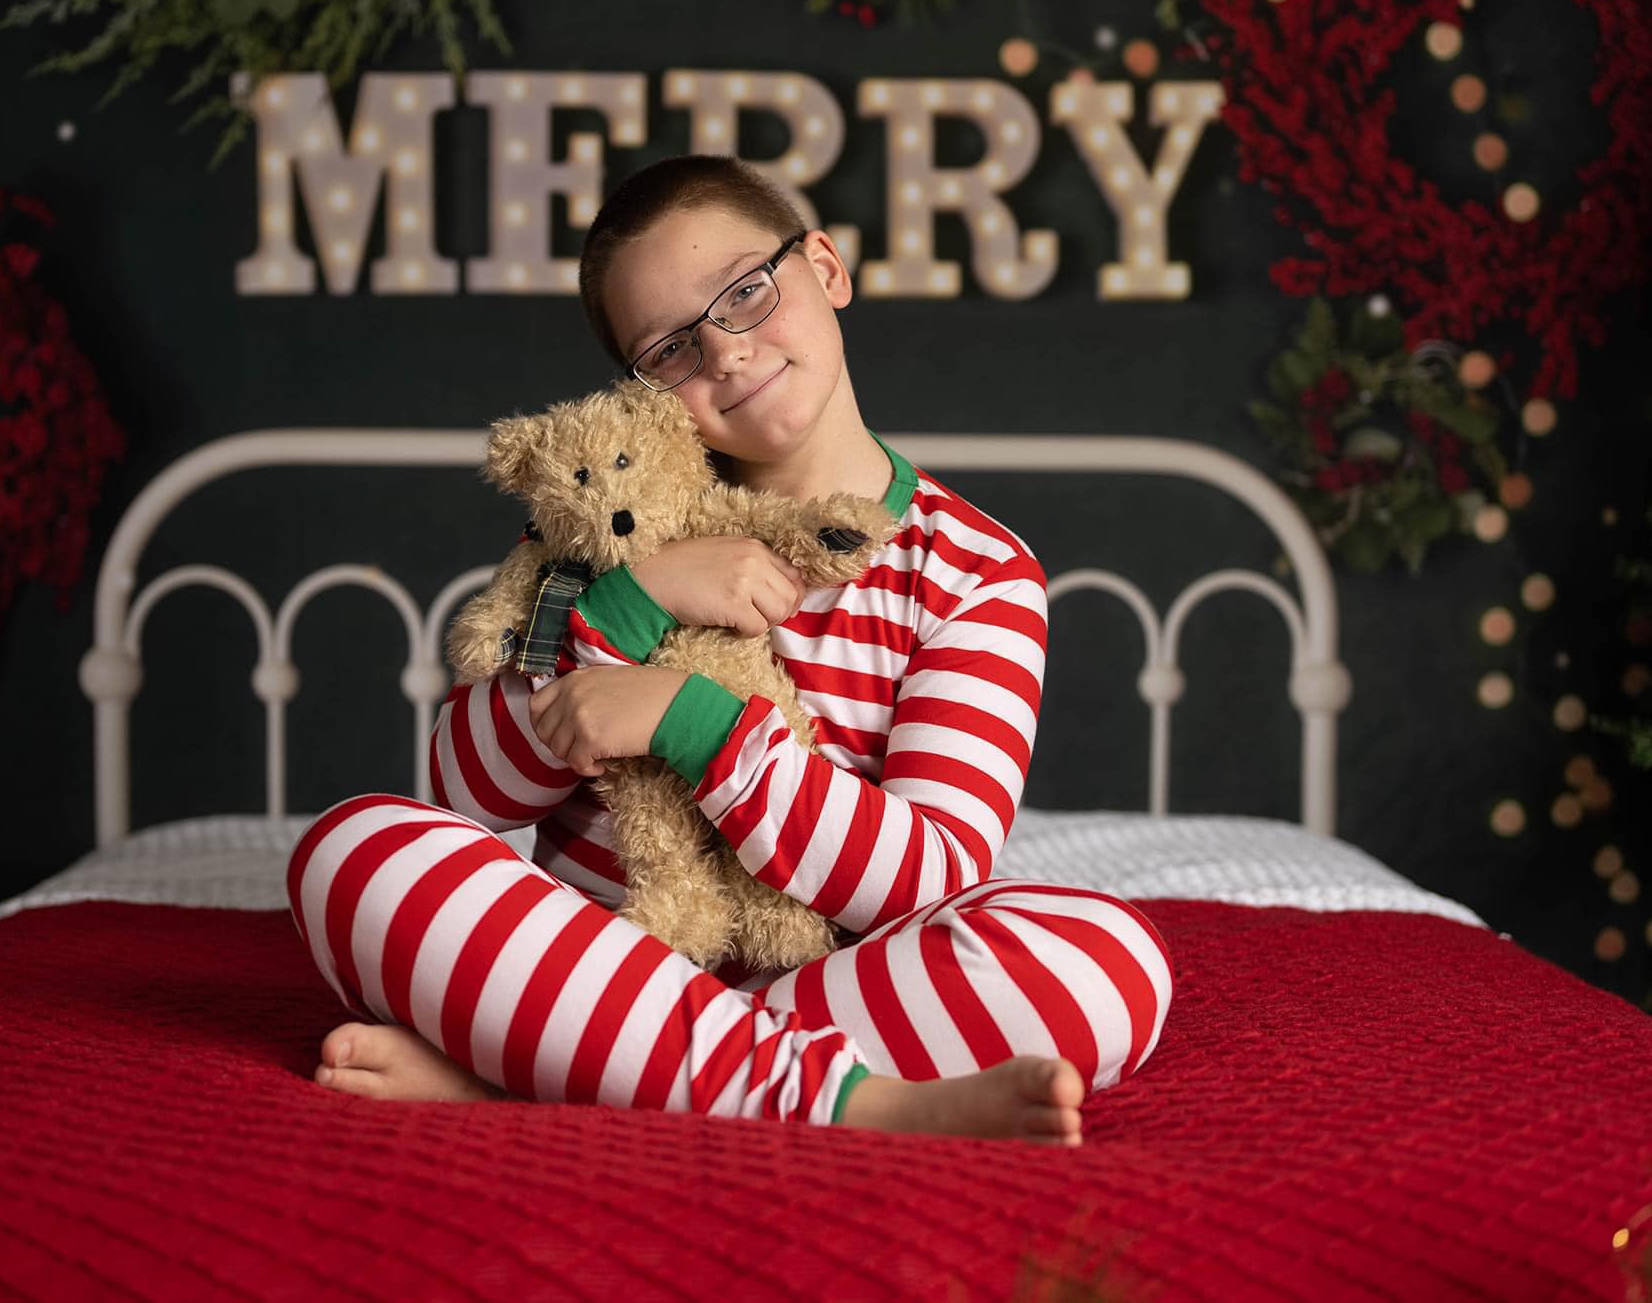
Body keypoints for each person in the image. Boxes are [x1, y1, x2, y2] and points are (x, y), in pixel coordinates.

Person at [285, 156, 1173, 1145]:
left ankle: (548, 1086)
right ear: (640, 386)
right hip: (590, 965)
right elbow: (459, 794)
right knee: (356, 850)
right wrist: (630, 602)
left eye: (747, 291)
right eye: (668, 348)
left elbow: (931, 877)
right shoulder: (613, 517)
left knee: (1105, 964)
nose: (725, 352)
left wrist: (689, 722)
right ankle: (837, 1107)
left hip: (824, 991)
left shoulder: (977, 572)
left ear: (826, 269)